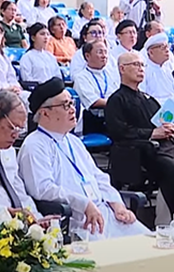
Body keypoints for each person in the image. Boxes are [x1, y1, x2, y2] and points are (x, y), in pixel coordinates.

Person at [19, 78, 147, 238]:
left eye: (72, 103)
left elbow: (99, 177)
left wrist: (118, 204)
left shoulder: (73, 141)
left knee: (153, 246)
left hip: (107, 212)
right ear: (45, 112)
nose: (73, 109)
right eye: (65, 105)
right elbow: (43, 189)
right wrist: (83, 203)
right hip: (78, 221)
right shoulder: (34, 145)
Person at [105, 51, 174, 225]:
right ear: (122, 69)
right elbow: (119, 132)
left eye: (142, 65)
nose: (141, 69)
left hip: (167, 147)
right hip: (142, 152)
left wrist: (170, 128)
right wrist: (151, 134)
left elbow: (163, 122)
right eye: (135, 65)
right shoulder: (116, 100)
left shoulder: (148, 99)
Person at [72, 40, 118, 135]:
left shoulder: (112, 73)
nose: (104, 56)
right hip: (94, 120)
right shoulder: (81, 77)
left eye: (105, 52)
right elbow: (94, 102)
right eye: (100, 52)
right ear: (87, 56)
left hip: (113, 115)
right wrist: (119, 103)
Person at [141, 32, 174, 102]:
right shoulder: (144, 71)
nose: (167, 50)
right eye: (163, 47)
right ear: (151, 52)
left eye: (167, 47)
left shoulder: (170, 67)